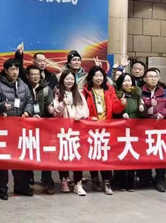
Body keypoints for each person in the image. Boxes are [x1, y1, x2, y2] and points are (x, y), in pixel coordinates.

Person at [0, 58, 34, 199]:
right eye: (12, 69)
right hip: (3, 129)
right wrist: (2, 106)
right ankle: (2, 189)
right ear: (6, 70)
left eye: (17, 69)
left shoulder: (23, 86)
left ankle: (21, 186)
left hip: (20, 128)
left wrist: (27, 111)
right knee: (3, 161)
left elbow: (30, 101)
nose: (15, 72)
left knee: (20, 158)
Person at [82, 66, 124, 195]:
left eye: (101, 75)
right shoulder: (85, 91)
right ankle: (95, 179)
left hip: (107, 128)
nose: (98, 78)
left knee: (106, 156)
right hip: (91, 128)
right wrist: (90, 118)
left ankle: (107, 182)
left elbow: (116, 109)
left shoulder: (109, 90)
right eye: (96, 75)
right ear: (91, 77)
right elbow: (82, 109)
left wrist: (122, 104)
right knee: (94, 154)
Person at [53, 69, 89, 195]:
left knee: (77, 156)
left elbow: (86, 110)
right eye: (67, 79)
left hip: (77, 131)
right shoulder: (57, 93)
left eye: (72, 79)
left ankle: (78, 183)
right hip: (63, 131)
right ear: (62, 80)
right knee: (64, 156)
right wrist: (63, 104)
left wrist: (81, 115)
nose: (69, 81)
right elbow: (55, 113)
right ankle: (64, 181)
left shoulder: (79, 94)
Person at [141, 68, 166, 192]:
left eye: (155, 77)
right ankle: (146, 178)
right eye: (150, 76)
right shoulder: (139, 92)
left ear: (159, 78)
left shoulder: (165, 92)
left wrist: (163, 113)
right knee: (144, 154)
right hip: (144, 128)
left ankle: (160, 180)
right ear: (144, 79)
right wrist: (147, 105)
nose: (153, 79)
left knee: (160, 154)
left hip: (160, 128)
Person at [25, 65, 56, 194]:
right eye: (33, 74)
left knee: (46, 154)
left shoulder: (46, 89)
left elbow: (50, 104)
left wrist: (50, 109)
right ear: (27, 75)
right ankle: (28, 179)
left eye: (37, 74)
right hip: (27, 126)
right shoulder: (23, 88)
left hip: (43, 127)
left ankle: (47, 180)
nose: (35, 77)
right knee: (27, 153)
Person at [113, 73, 145, 192]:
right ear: (120, 83)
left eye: (129, 80)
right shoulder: (116, 94)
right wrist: (121, 114)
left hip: (134, 128)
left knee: (132, 155)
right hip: (120, 128)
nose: (127, 83)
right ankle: (120, 181)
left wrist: (142, 109)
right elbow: (113, 110)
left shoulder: (137, 94)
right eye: (124, 81)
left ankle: (131, 182)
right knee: (121, 155)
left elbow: (143, 113)